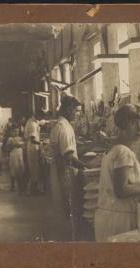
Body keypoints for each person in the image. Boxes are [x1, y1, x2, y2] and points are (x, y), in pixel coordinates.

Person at [94, 104, 140, 242]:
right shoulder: (123, 152)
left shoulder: (114, 148)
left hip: (108, 216)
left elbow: (126, 182)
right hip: (119, 220)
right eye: (133, 123)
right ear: (122, 125)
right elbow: (121, 190)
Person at [49, 95, 86, 241]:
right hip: (64, 174)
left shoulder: (59, 125)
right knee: (68, 209)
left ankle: (66, 239)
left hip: (58, 172)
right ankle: (70, 243)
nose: (77, 115)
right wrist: (86, 167)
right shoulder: (64, 128)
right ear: (69, 109)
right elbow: (68, 157)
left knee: (62, 211)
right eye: (76, 111)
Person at [24, 112, 42, 195]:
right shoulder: (32, 124)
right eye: (42, 116)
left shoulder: (33, 121)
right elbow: (32, 139)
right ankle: (34, 190)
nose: (42, 118)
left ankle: (34, 189)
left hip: (32, 146)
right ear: (37, 115)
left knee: (34, 168)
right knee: (34, 168)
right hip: (33, 147)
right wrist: (42, 143)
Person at [6, 126, 26, 193]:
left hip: (19, 155)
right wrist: (13, 145)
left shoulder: (20, 138)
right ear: (11, 132)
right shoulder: (10, 139)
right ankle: (12, 186)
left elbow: (23, 146)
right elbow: (7, 148)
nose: (16, 133)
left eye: (17, 131)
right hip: (13, 155)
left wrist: (22, 145)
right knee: (13, 170)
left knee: (20, 170)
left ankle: (20, 187)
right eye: (14, 131)